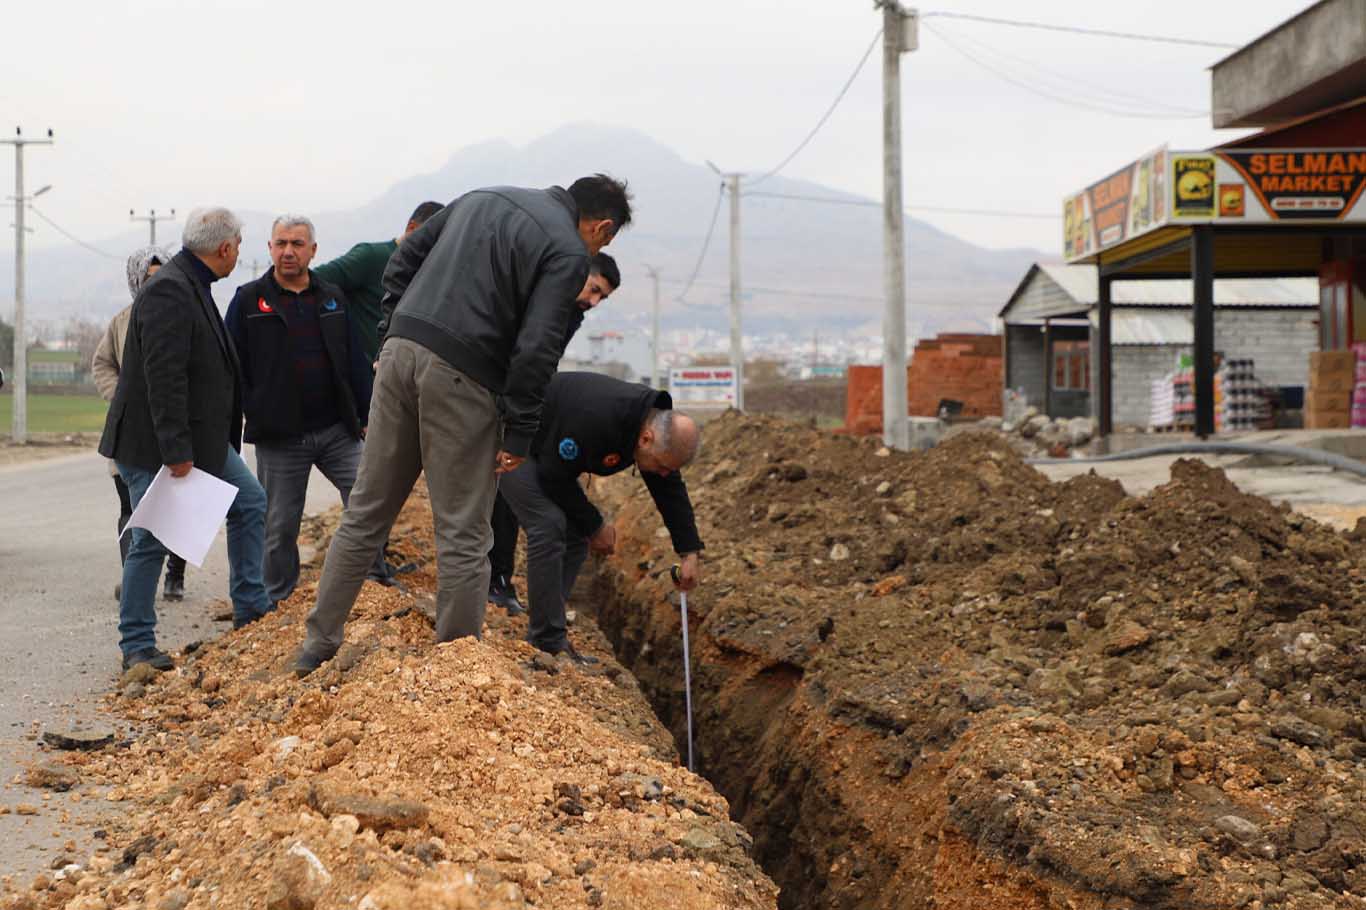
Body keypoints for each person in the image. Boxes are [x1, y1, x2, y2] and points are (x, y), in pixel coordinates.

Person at [294, 174, 632, 677]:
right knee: (464, 531)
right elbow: (537, 346)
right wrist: (519, 432)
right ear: (602, 227)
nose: (597, 248)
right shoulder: (567, 250)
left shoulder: (482, 196)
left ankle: (316, 648)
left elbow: (403, 259)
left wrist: (391, 332)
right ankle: (455, 669)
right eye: (604, 239)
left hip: (400, 356)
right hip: (464, 377)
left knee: (365, 514)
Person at [98, 207, 270, 671]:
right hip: (156, 445)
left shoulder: (193, 284)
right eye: (239, 246)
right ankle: (136, 646)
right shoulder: (170, 290)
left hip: (200, 440)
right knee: (151, 539)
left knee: (250, 502)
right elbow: (164, 375)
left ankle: (252, 608)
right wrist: (176, 451)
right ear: (226, 248)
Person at [497, 371, 703, 662]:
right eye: (663, 466)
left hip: (544, 445)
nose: (665, 473)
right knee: (548, 524)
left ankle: (549, 623)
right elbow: (554, 476)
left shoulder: (652, 433)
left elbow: (670, 490)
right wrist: (596, 525)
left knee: (575, 537)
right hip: (512, 437)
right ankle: (546, 639)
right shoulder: (598, 418)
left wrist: (689, 552)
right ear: (646, 439)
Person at [224, 215, 375, 610]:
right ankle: (278, 601)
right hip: (281, 436)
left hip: (337, 431)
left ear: (312, 251)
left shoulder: (331, 298)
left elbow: (355, 360)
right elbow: (228, 364)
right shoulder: (248, 300)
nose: (288, 251)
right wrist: (239, 416)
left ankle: (373, 584)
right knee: (279, 527)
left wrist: (366, 413)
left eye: (297, 243)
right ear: (270, 248)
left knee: (368, 501)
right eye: (281, 243)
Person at [488, 251, 621, 616]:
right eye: (594, 289)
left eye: (601, 298)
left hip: (521, 402)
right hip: (495, 394)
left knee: (507, 491)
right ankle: (492, 581)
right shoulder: (543, 293)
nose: (593, 302)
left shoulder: (571, 313)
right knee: (510, 493)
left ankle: (497, 581)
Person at [92, 246, 189, 602]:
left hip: (175, 431)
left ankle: (174, 576)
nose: (157, 284)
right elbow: (102, 363)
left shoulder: (183, 315)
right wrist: (122, 397)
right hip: (130, 433)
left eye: (163, 276)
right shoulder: (121, 321)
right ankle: (134, 579)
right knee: (130, 510)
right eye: (149, 278)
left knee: (176, 507)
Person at [313, 201, 444, 364]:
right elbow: (313, 280)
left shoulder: (429, 272)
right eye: (432, 239)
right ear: (412, 228)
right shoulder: (371, 257)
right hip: (365, 376)